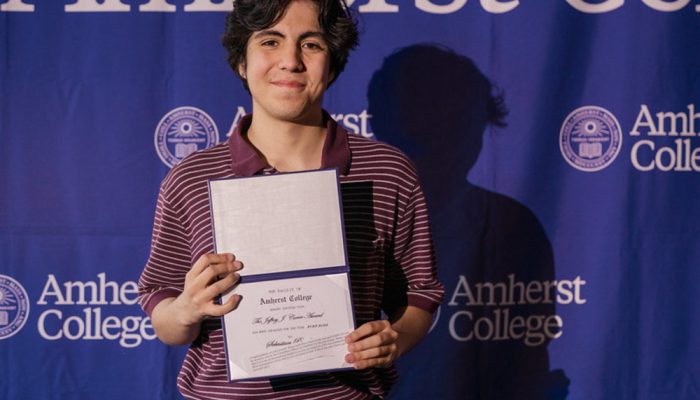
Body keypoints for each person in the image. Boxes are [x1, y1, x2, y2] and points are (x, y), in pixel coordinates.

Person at [138, 0, 443, 398]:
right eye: (270, 41)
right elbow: (164, 313)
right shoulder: (191, 179)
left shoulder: (387, 171)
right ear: (241, 63)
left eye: (311, 44)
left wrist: (394, 339)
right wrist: (186, 309)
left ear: (332, 63)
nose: (290, 61)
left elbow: (419, 295)